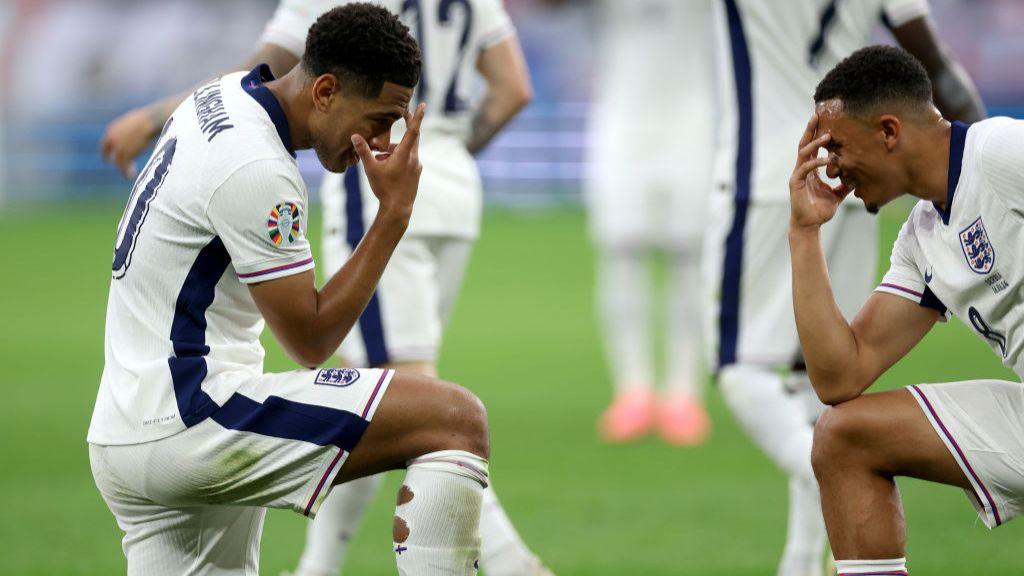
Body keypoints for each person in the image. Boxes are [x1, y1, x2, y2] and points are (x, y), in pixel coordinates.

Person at [99, 1, 546, 575]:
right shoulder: (258, 166)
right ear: (327, 90)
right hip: (192, 417)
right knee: (454, 419)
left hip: (125, 424)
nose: (385, 141)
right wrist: (392, 218)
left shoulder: (219, 96)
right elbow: (309, 340)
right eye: (381, 118)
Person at [706, 1, 984, 574]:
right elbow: (938, 64)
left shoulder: (1002, 161)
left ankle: (813, 470)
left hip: (770, 169)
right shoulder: (927, 228)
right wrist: (971, 166)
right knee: (828, 390)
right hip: (861, 169)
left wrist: (982, 172)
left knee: (741, 369)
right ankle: (802, 555)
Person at [790, 44, 1024, 576]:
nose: (835, 171)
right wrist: (804, 232)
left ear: (889, 132)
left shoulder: (1002, 152)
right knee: (843, 436)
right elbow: (839, 376)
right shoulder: (921, 239)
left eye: (839, 147)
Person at [586, 0, 716, 447]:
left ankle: (682, 395)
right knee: (622, 251)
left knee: (689, 254)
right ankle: (633, 391)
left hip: (694, 115)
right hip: (622, 117)